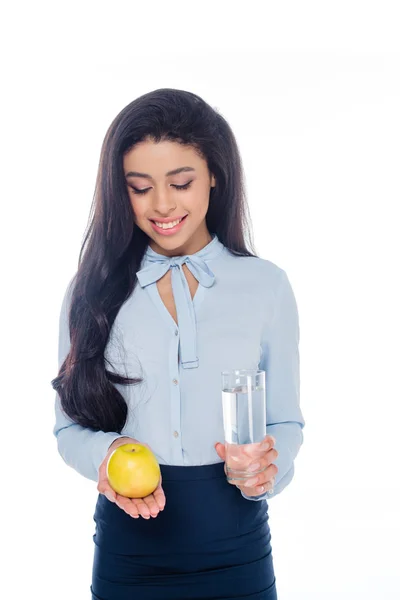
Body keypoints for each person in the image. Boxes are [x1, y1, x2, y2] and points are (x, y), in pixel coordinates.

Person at [51, 88, 305, 600]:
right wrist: (110, 451)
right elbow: (67, 429)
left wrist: (266, 470)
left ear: (214, 174)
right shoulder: (91, 291)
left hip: (237, 545)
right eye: (140, 188)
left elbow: (286, 422)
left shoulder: (266, 286)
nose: (162, 205)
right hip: (130, 551)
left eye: (181, 182)